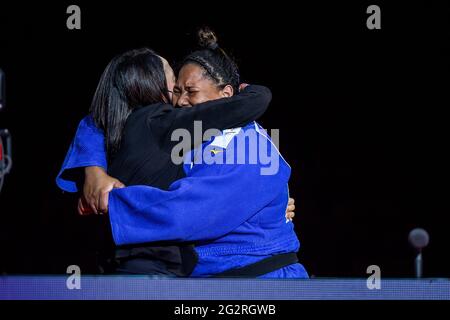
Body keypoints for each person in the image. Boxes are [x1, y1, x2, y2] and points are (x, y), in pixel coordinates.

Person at [57, 28, 307, 278]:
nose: (180, 101)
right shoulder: (186, 135)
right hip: (206, 282)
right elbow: (104, 116)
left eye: (191, 91)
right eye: (176, 90)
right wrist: (94, 170)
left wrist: (112, 203)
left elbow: (189, 215)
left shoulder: (248, 145)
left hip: (260, 283)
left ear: (227, 95)